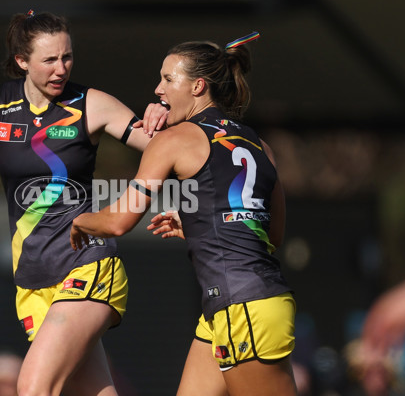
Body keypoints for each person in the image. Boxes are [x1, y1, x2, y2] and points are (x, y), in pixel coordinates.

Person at [0, 10, 166, 396]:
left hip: (88, 265)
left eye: (67, 57)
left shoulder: (92, 104)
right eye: (49, 59)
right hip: (32, 279)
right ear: (22, 61)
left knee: (33, 387)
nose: (61, 68)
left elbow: (169, 150)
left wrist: (172, 118)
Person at [70, 32, 298, 395]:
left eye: (168, 79)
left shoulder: (174, 140)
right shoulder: (260, 145)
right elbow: (272, 234)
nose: (158, 88)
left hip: (242, 307)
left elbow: (118, 221)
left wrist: (77, 218)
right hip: (241, 304)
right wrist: (201, 223)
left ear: (198, 87)